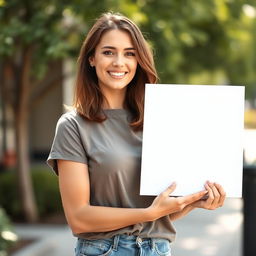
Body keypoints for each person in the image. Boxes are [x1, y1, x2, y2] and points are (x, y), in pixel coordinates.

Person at [47, 12, 226, 256]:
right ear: (91, 59)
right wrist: (148, 214)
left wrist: (192, 202)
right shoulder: (73, 126)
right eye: (108, 52)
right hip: (105, 251)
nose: (119, 62)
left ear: (139, 60)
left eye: (129, 53)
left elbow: (158, 214)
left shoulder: (160, 121)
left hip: (157, 249)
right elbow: (79, 218)